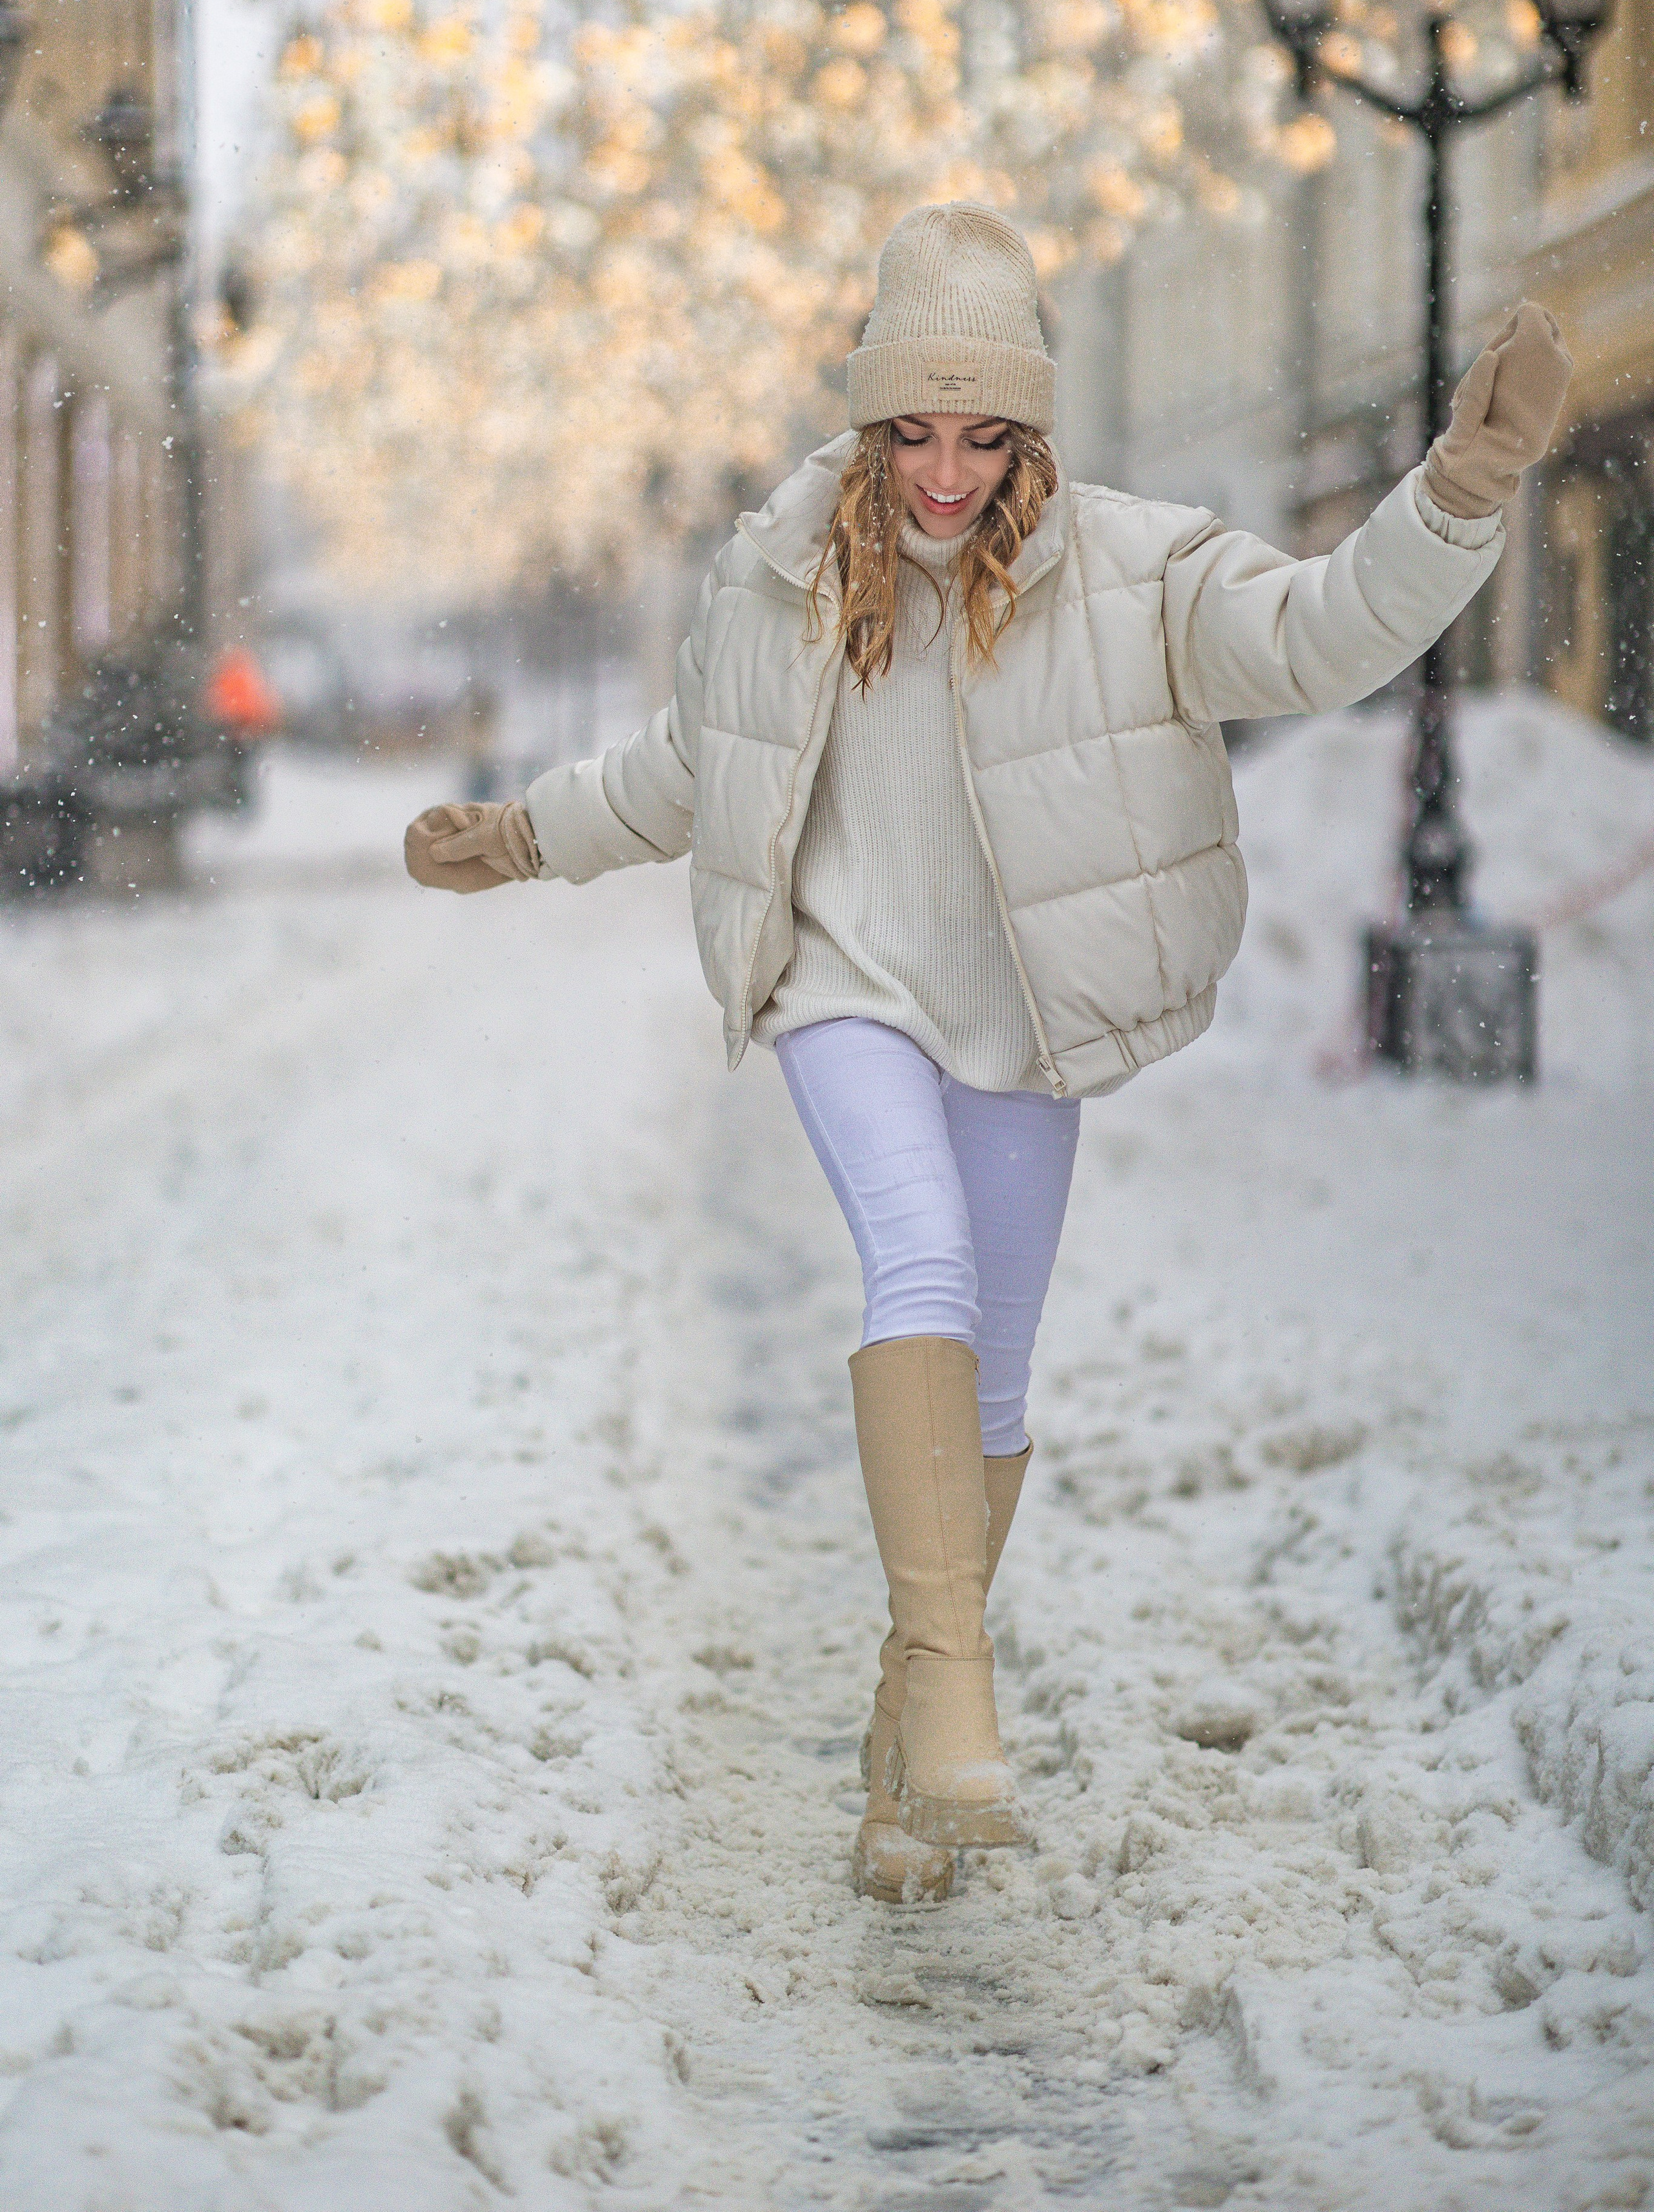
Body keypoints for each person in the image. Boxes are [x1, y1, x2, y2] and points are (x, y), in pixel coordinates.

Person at [405, 203, 1571, 1906]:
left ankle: (901, 1752)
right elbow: (686, 770)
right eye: (914, 432)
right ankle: (960, 1691)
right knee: (922, 1265)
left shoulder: (1137, 573)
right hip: (845, 992)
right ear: (871, 423)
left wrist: (1461, 491)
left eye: (984, 434)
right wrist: (520, 836)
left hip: (1019, 1018)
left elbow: (1320, 630)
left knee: (996, 1383)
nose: (945, 472)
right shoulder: (783, 571)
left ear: (1030, 433)